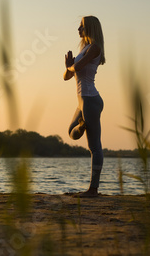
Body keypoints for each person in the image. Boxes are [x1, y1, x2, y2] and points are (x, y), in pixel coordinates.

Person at [63, 16, 105, 197]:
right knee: (72, 132)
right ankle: (83, 123)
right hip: (82, 102)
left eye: (81, 27)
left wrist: (72, 66)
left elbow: (77, 67)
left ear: (90, 28)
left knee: (94, 147)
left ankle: (93, 189)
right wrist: (69, 67)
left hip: (90, 100)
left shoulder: (95, 47)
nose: (78, 30)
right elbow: (66, 76)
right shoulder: (85, 48)